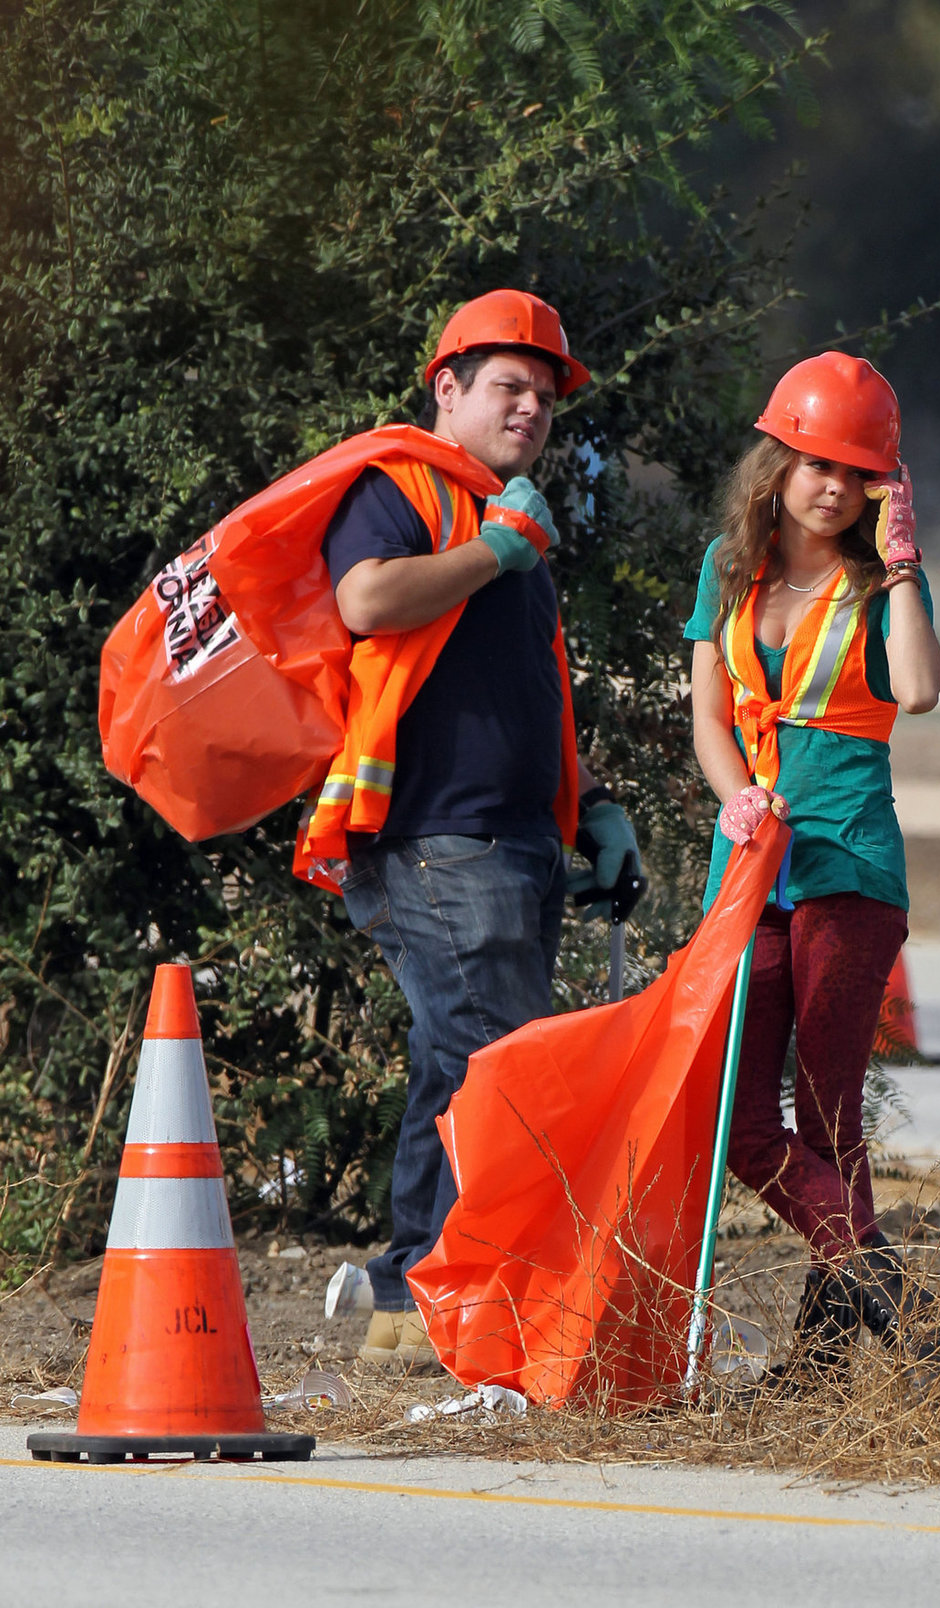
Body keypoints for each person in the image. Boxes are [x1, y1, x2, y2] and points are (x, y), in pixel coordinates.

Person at [301, 289, 643, 1371]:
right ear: (445, 389)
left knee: (458, 1068)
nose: (530, 409)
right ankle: (481, 1312)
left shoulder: (511, 519)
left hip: (516, 842)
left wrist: (591, 809)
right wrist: (494, 552)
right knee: (500, 1069)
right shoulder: (398, 487)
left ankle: (411, 1306)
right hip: (437, 838)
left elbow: (528, 690)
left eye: (544, 396)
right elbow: (364, 599)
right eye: (508, 387)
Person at [684, 351, 940, 1386]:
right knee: (742, 1121)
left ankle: (825, 1360)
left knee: (828, 1112)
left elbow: (922, 690)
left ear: (877, 487)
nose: (831, 484)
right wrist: (730, 798)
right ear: (778, 462)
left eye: (856, 470)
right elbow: (709, 715)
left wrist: (901, 564)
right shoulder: (725, 567)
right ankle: (896, 1294)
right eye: (814, 462)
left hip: (848, 861)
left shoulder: (879, 582)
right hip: (749, 863)